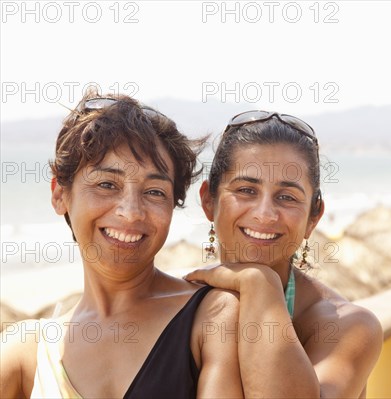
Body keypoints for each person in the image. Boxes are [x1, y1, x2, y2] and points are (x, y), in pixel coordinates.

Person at [0, 91, 243, 398]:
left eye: (154, 192)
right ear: (60, 194)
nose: (130, 212)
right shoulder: (29, 352)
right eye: (106, 184)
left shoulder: (211, 316)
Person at [184, 111, 383, 398]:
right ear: (208, 201)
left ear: (313, 219)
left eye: (287, 197)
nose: (265, 214)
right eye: (246, 190)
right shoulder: (177, 306)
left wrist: (259, 284)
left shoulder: (347, 328)